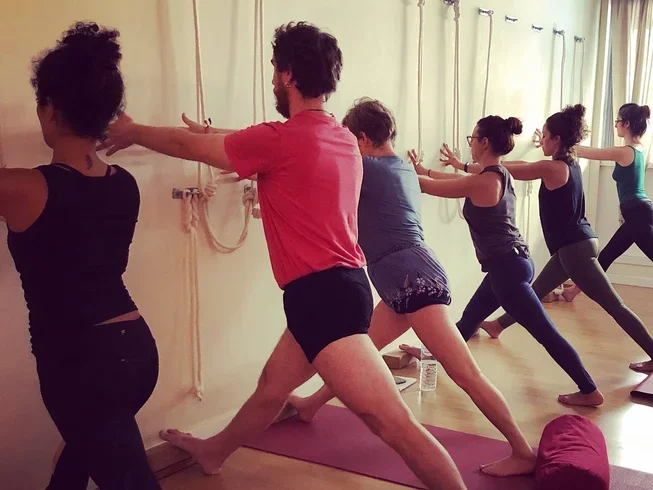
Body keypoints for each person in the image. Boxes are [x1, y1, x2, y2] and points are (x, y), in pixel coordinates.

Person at [100, 22, 469, 490]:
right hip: (338, 289)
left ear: (288, 75)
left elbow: (189, 146)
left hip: (323, 300)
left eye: (276, 70)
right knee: (273, 387)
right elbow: (263, 141)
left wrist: (134, 130)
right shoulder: (340, 138)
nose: (273, 79)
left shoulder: (279, 141)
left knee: (394, 424)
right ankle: (215, 451)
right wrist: (218, 133)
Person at [285, 97, 536, 476]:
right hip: (401, 282)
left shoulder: (368, 167)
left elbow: (309, 157)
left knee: (465, 374)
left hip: (413, 281)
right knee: (359, 357)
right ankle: (311, 405)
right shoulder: (400, 166)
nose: (349, 148)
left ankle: (522, 451)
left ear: (363, 138)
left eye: (351, 140)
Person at [0, 22, 161, 490]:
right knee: (78, 462)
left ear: (50, 109)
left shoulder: (23, 188)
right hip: (136, 350)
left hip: (81, 365)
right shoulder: (124, 184)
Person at [440, 105, 653, 374]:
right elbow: (508, 168)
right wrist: (466, 166)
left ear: (557, 140)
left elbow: (509, 169)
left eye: (546, 136)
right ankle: (498, 326)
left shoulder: (554, 168)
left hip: (575, 249)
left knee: (616, 306)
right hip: (572, 247)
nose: (542, 142)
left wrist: (463, 166)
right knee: (536, 290)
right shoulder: (570, 163)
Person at [409, 115, 604, 407]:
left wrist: (391, 169)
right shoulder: (497, 173)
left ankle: (589, 390)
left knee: (546, 334)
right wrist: (422, 170)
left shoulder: (486, 181)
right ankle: (431, 354)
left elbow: (431, 186)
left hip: (507, 270)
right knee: (470, 319)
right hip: (510, 264)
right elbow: (456, 180)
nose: (471, 144)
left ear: (484, 142)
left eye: (473, 139)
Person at [564, 104, 653, 297]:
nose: (615, 125)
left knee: (609, 254)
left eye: (617, 121)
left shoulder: (625, 151)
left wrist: (559, 143)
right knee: (608, 254)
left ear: (626, 124)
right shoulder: (639, 149)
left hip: (637, 212)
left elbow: (590, 152)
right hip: (638, 211)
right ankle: (574, 292)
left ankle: (575, 291)